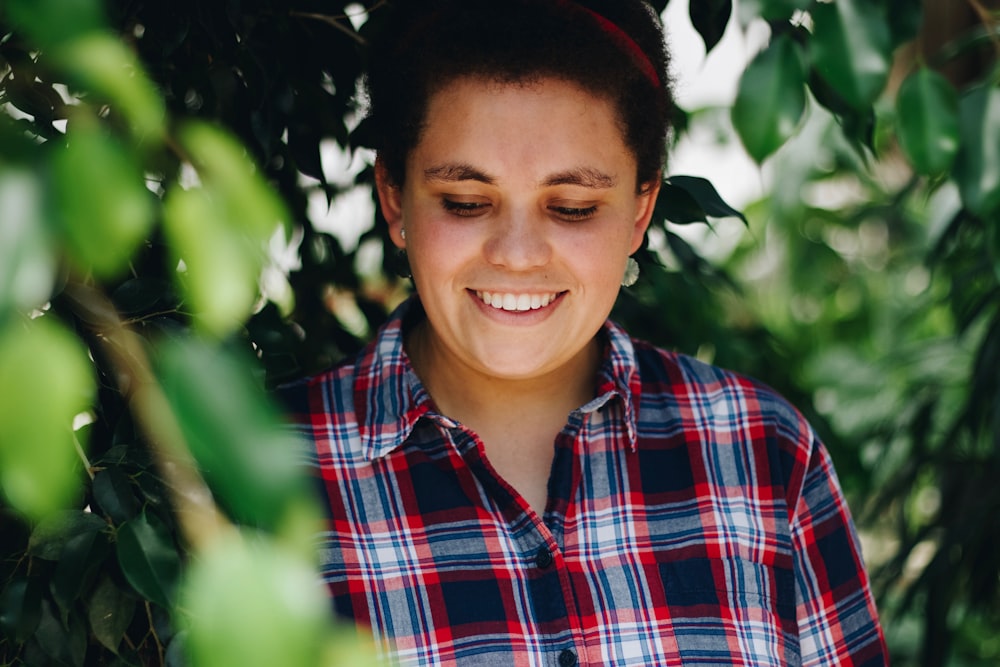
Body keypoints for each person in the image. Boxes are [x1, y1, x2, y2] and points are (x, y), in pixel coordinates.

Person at [280, 0, 888, 664]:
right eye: (466, 202)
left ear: (639, 211)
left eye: (572, 208)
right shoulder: (259, 472)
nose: (517, 252)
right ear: (394, 197)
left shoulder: (765, 460)